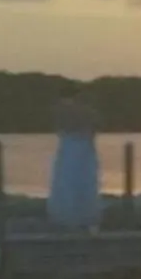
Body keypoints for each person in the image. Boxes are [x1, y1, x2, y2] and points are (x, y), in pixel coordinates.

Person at [48, 91, 102, 229]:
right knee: (79, 181)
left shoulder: (63, 111)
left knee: (70, 181)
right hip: (80, 148)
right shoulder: (89, 112)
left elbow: (59, 127)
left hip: (74, 149)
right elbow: (94, 127)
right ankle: (81, 216)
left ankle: (68, 216)